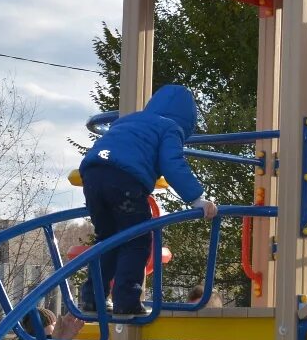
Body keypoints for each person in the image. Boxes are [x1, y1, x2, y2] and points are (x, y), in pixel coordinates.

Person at [79, 83, 218, 315]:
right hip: (124, 180)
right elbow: (172, 164)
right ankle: (126, 300)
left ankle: (93, 298)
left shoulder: (127, 120)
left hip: (92, 174)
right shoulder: (170, 127)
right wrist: (198, 199)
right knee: (137, 240)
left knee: (108, 239)